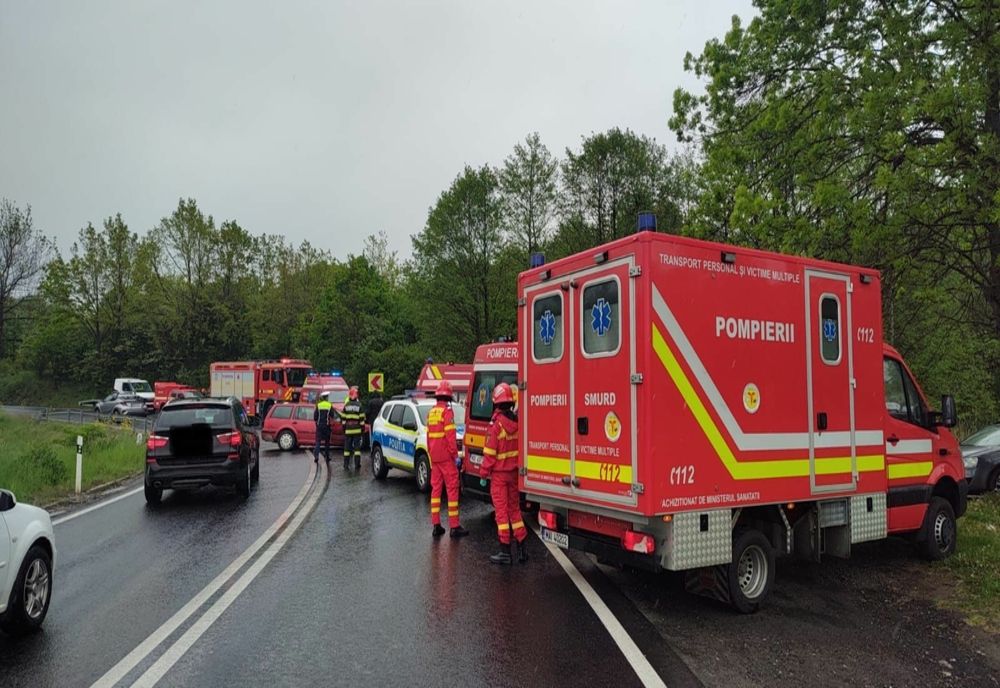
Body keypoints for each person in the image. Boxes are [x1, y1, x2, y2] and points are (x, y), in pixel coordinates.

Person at [480, 382, 526, 564]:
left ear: (497, 403)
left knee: (501, 513)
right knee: (515, 510)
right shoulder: (517, 423)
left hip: (499, 476)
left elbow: (490, 455)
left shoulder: (496, 426)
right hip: (514, 474)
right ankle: (522, 548)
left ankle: (505, 551)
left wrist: (483, 474)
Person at [428, 380, 468, 538]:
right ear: (449, 397)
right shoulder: (447, 412)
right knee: (452, 490)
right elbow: (451, 439)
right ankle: (454, 526)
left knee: (436, 491)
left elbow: (428, 436)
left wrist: (432, 454)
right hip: (446, 458)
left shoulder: (431, 412)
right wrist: (456, 456)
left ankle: (436, 525)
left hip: (435, 458)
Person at [341, 386, 365, 470]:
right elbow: (362, 419)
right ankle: (357, 465)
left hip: (348, 430)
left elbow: (343, 419)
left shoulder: (346, 405)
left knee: (347, 449)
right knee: (357, 449)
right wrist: (362, 430)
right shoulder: (359, 405)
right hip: (357, 431)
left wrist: (344, 429)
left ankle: (346, 465)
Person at [312, 392, 332, 464]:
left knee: (318, 442)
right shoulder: (329, 405)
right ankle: (327, 456)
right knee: (327, 442)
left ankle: (316, 457)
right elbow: (332, 415)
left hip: (319, 426)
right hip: (326, 426)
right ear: (326, 398)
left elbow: (315, 417)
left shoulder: (318, 405)